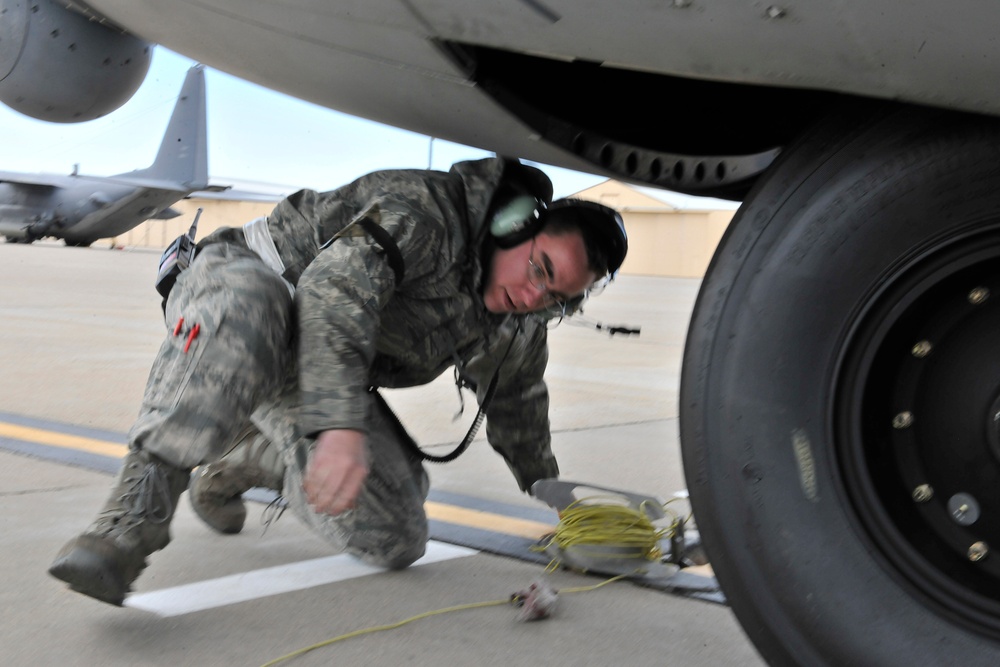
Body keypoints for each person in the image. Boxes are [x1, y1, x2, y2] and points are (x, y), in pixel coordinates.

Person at [48, 156, 628, 606]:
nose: (534, 296)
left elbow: (518, 397)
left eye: (555, 295)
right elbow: (332, 293)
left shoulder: (516, 316)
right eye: (539, 269)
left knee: (396, 535)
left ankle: (250, 456)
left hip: (314, 369)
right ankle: (125, 528)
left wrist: (551, 490)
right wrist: (339, 424)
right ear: (511, 224)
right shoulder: (424, 212)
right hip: (249, 295)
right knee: (252, 303)